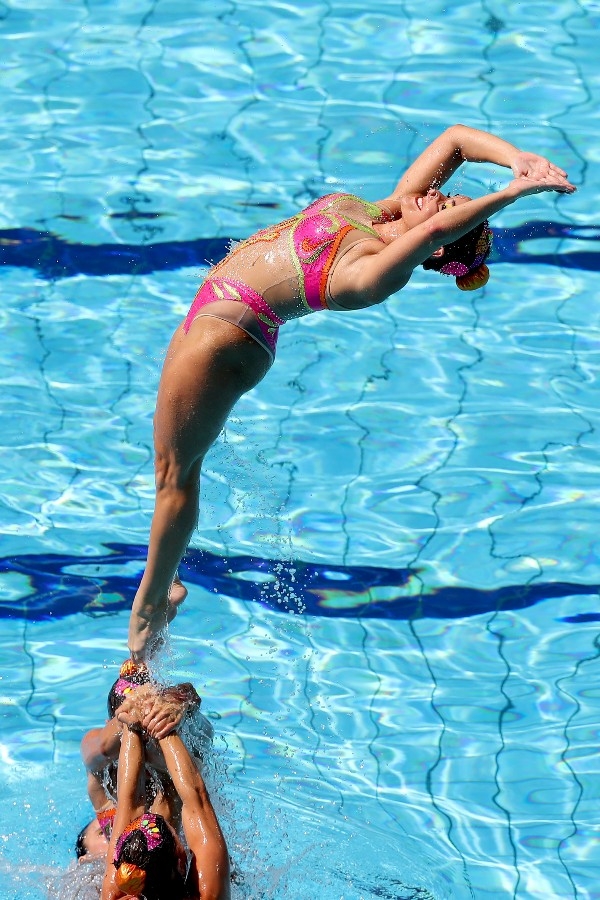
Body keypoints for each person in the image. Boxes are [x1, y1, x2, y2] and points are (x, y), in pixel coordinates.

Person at [127, 123, 576, 660]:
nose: (441, 193)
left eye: (448, 203)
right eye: (453, 193)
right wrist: (516, 159)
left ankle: (149, 608)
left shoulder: (373, 274)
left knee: (173, 475)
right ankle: (165, 580)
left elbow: (432, 235)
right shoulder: (385, 210)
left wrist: (509, 196)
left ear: (434, 244)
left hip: (226, 338)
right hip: (218, 314)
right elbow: (456, 141)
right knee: (175, 469)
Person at [77, 660, 213, 860]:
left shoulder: (176, 756)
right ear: (111, 724)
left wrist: (180, 698)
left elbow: (206, 732)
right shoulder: (102, 766)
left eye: (150, 725)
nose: (144, 740)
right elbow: (103, 746)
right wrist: (134, 712)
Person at [100, 709, 230, 899]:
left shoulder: (116, 895)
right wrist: (163, 727)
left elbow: (130, 802)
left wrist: (132, 724)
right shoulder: (209, 893)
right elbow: (197, 799)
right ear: (180, 862)